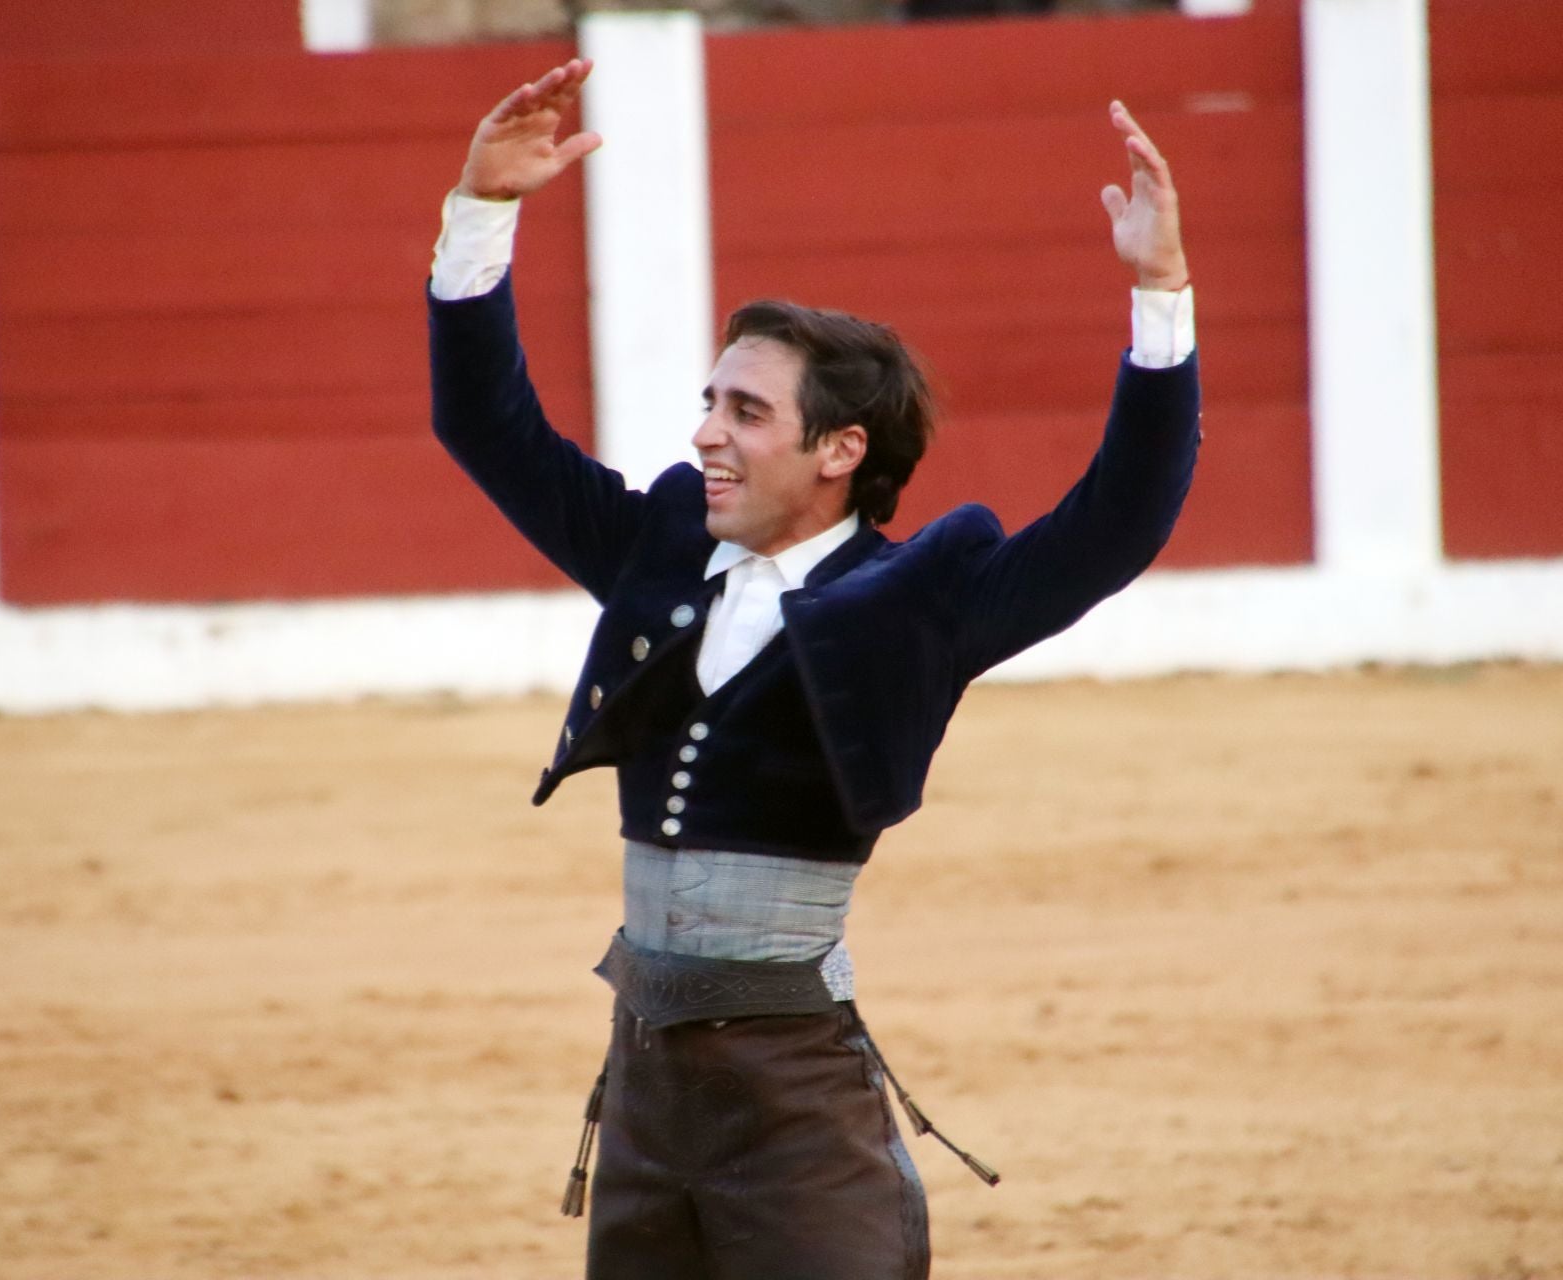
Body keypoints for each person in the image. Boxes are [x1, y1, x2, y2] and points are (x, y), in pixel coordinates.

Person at [426, 57, 1196, 1280]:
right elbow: (488, 429)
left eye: (744, 413)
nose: (703, 435)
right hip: (645, 1081)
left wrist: (1160, 295)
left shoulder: (915, 602)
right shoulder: (660, 551)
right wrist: (482, 212)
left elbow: (1116, 524)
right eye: (708, 402)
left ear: (841, 449)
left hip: (794, 1092)